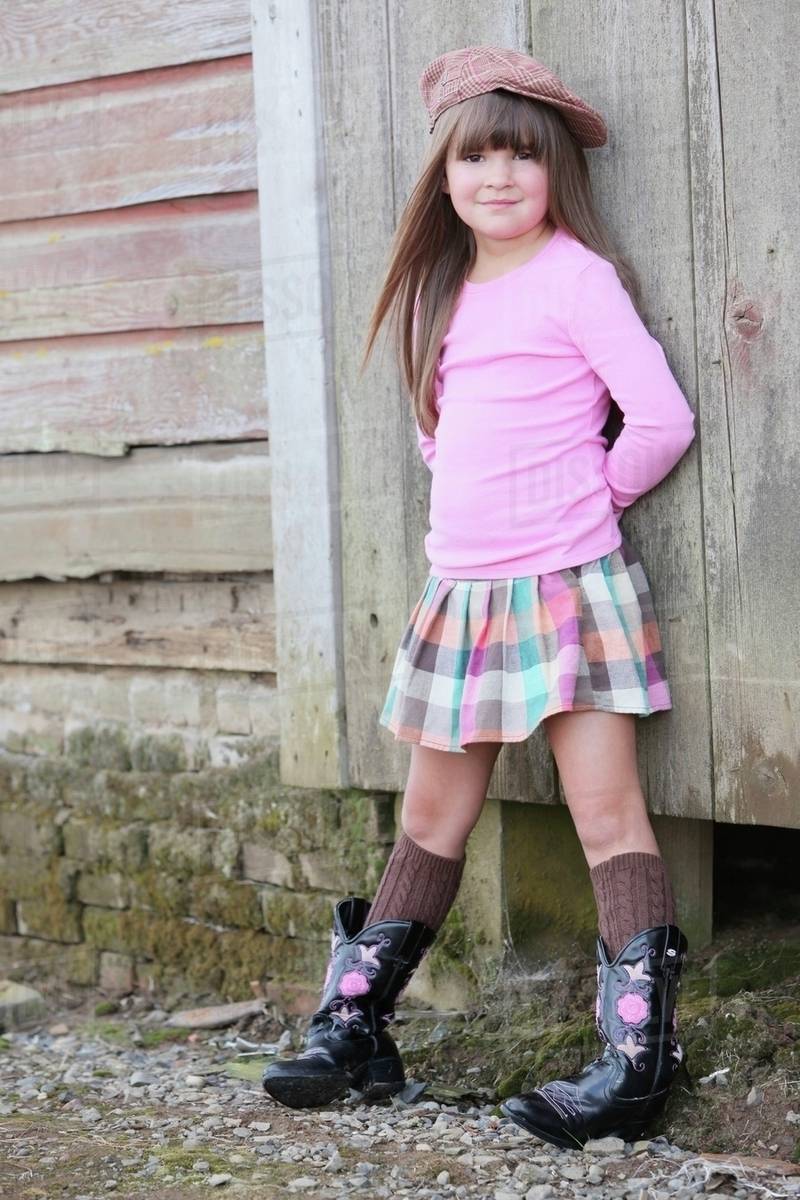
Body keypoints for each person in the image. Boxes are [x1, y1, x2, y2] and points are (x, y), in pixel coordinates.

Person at [263, 44, 693, 1150]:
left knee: (606, 814)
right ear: (443, 175)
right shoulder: (439, 291)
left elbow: (660, 419)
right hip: (461, 592)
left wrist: (587, 503)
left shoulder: (575, 278)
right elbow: (437, 431)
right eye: (474, 157)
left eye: (520, 156)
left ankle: (635, 1064)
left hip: (566, 587)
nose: (497, 176)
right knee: (429, 818)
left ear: (554, 171)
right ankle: (354, 1027)